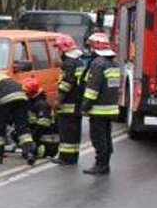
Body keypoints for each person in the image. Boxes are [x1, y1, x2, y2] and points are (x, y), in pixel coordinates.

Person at [80, 32, 122, 175]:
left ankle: (101, 165)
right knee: (106, 136)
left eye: (91, 45)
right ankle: (105, 164)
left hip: (98, 110)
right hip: (110, 108)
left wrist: (85, 106)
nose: (90, 48)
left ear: (95, 46)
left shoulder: (98, 64)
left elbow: (92, 89)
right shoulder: (114, 63)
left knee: (98, 138)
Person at [51, 34, 87, 166]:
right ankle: (72, 157)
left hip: (69, 105)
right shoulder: (78, 61)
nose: (57, 52)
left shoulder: (69, 63)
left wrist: (58, 100)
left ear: (63, 49)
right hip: (77, 104)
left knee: (66, 133)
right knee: (74, 133)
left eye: (58, 49)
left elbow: (67, 83)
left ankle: (66, 158)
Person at [23, 76, 57, 158]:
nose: (24, 94)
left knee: (30, 154)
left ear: (32, 93)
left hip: (45, 142)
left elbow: (43, 124)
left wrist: (32, 137)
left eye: (26, 92)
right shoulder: (33, 102)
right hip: (37, 136)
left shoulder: (42, 104)